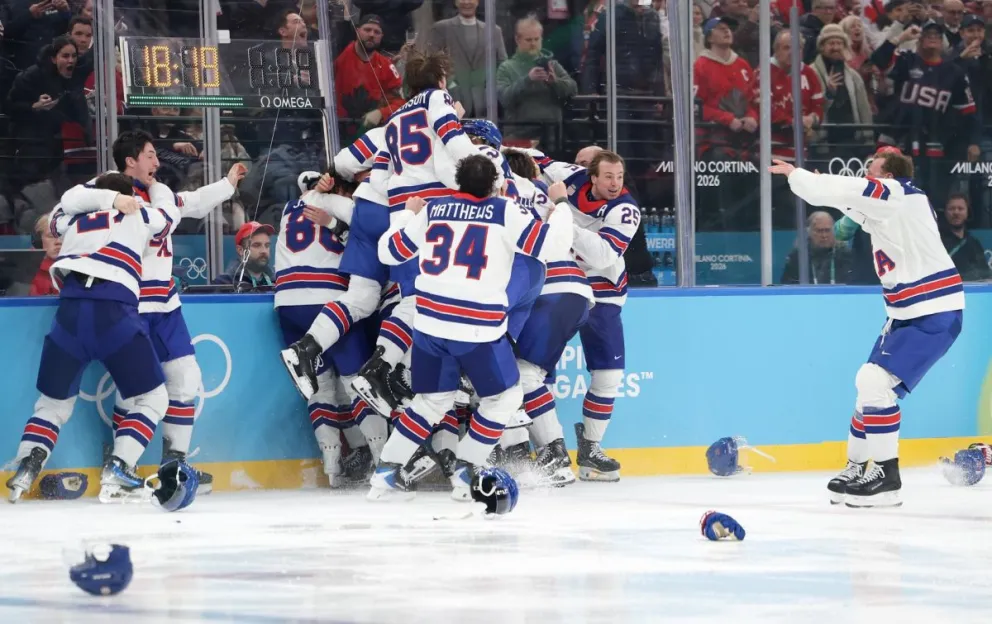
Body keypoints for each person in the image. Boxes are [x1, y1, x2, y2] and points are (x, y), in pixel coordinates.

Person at [367, 154, 573, 501]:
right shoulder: (506, 211)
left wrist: (407, 214)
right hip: (477, 327)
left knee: (430, 401)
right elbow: (554, 246)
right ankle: (465, 473)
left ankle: (386, 473)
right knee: (505, 398)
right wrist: (562, 203)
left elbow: (389, 252)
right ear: (496, 184)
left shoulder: (433, 208)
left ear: (456, 181)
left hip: (430, 323)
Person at [769, 151, 964, 508]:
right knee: (867, 389)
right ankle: (856, 467)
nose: (867, 164)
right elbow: (848, 201)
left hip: (933, 310)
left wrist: (799, 177)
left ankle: (888, 478)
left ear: (887, 172)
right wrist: (815, 186)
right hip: (907, 313)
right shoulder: (889, 205)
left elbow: (846, 189)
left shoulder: (896, 192)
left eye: (874, 161)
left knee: (874, 382)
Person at [56, 131, 247, 493]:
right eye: (149, 156)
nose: (157, 163)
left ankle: (175, 465)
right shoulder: (107, 191)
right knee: (133, 391)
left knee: (186, 379)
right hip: (130, 301)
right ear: (130, 160)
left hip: (166, 304)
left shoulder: (159, 194)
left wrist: (226, 184)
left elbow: (189, 201)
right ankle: (119, 465)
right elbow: (62, 213)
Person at [6, 173, 178, 503]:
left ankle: (25, 468)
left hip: (70, 312)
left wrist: (100, 194)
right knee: (155, 398)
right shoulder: (138, 211)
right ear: (127, 196)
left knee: (52, 405)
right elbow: (169, 215)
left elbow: (65, 203)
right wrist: (154, 188)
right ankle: (119, 465)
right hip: (113, 311)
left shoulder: (70, 219)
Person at [531, 149, 641, 482]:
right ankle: (547, 449)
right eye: (608, 176)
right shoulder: (570, 174)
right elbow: (528, 156)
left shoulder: (626, 209)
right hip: (557, 284)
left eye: (619, 177)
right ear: (591, 175)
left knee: (609, 375)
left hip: (603, 291)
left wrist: (563, 216)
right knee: (536, 371)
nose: (615, 183)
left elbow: (605, 255)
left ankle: (591, 449)